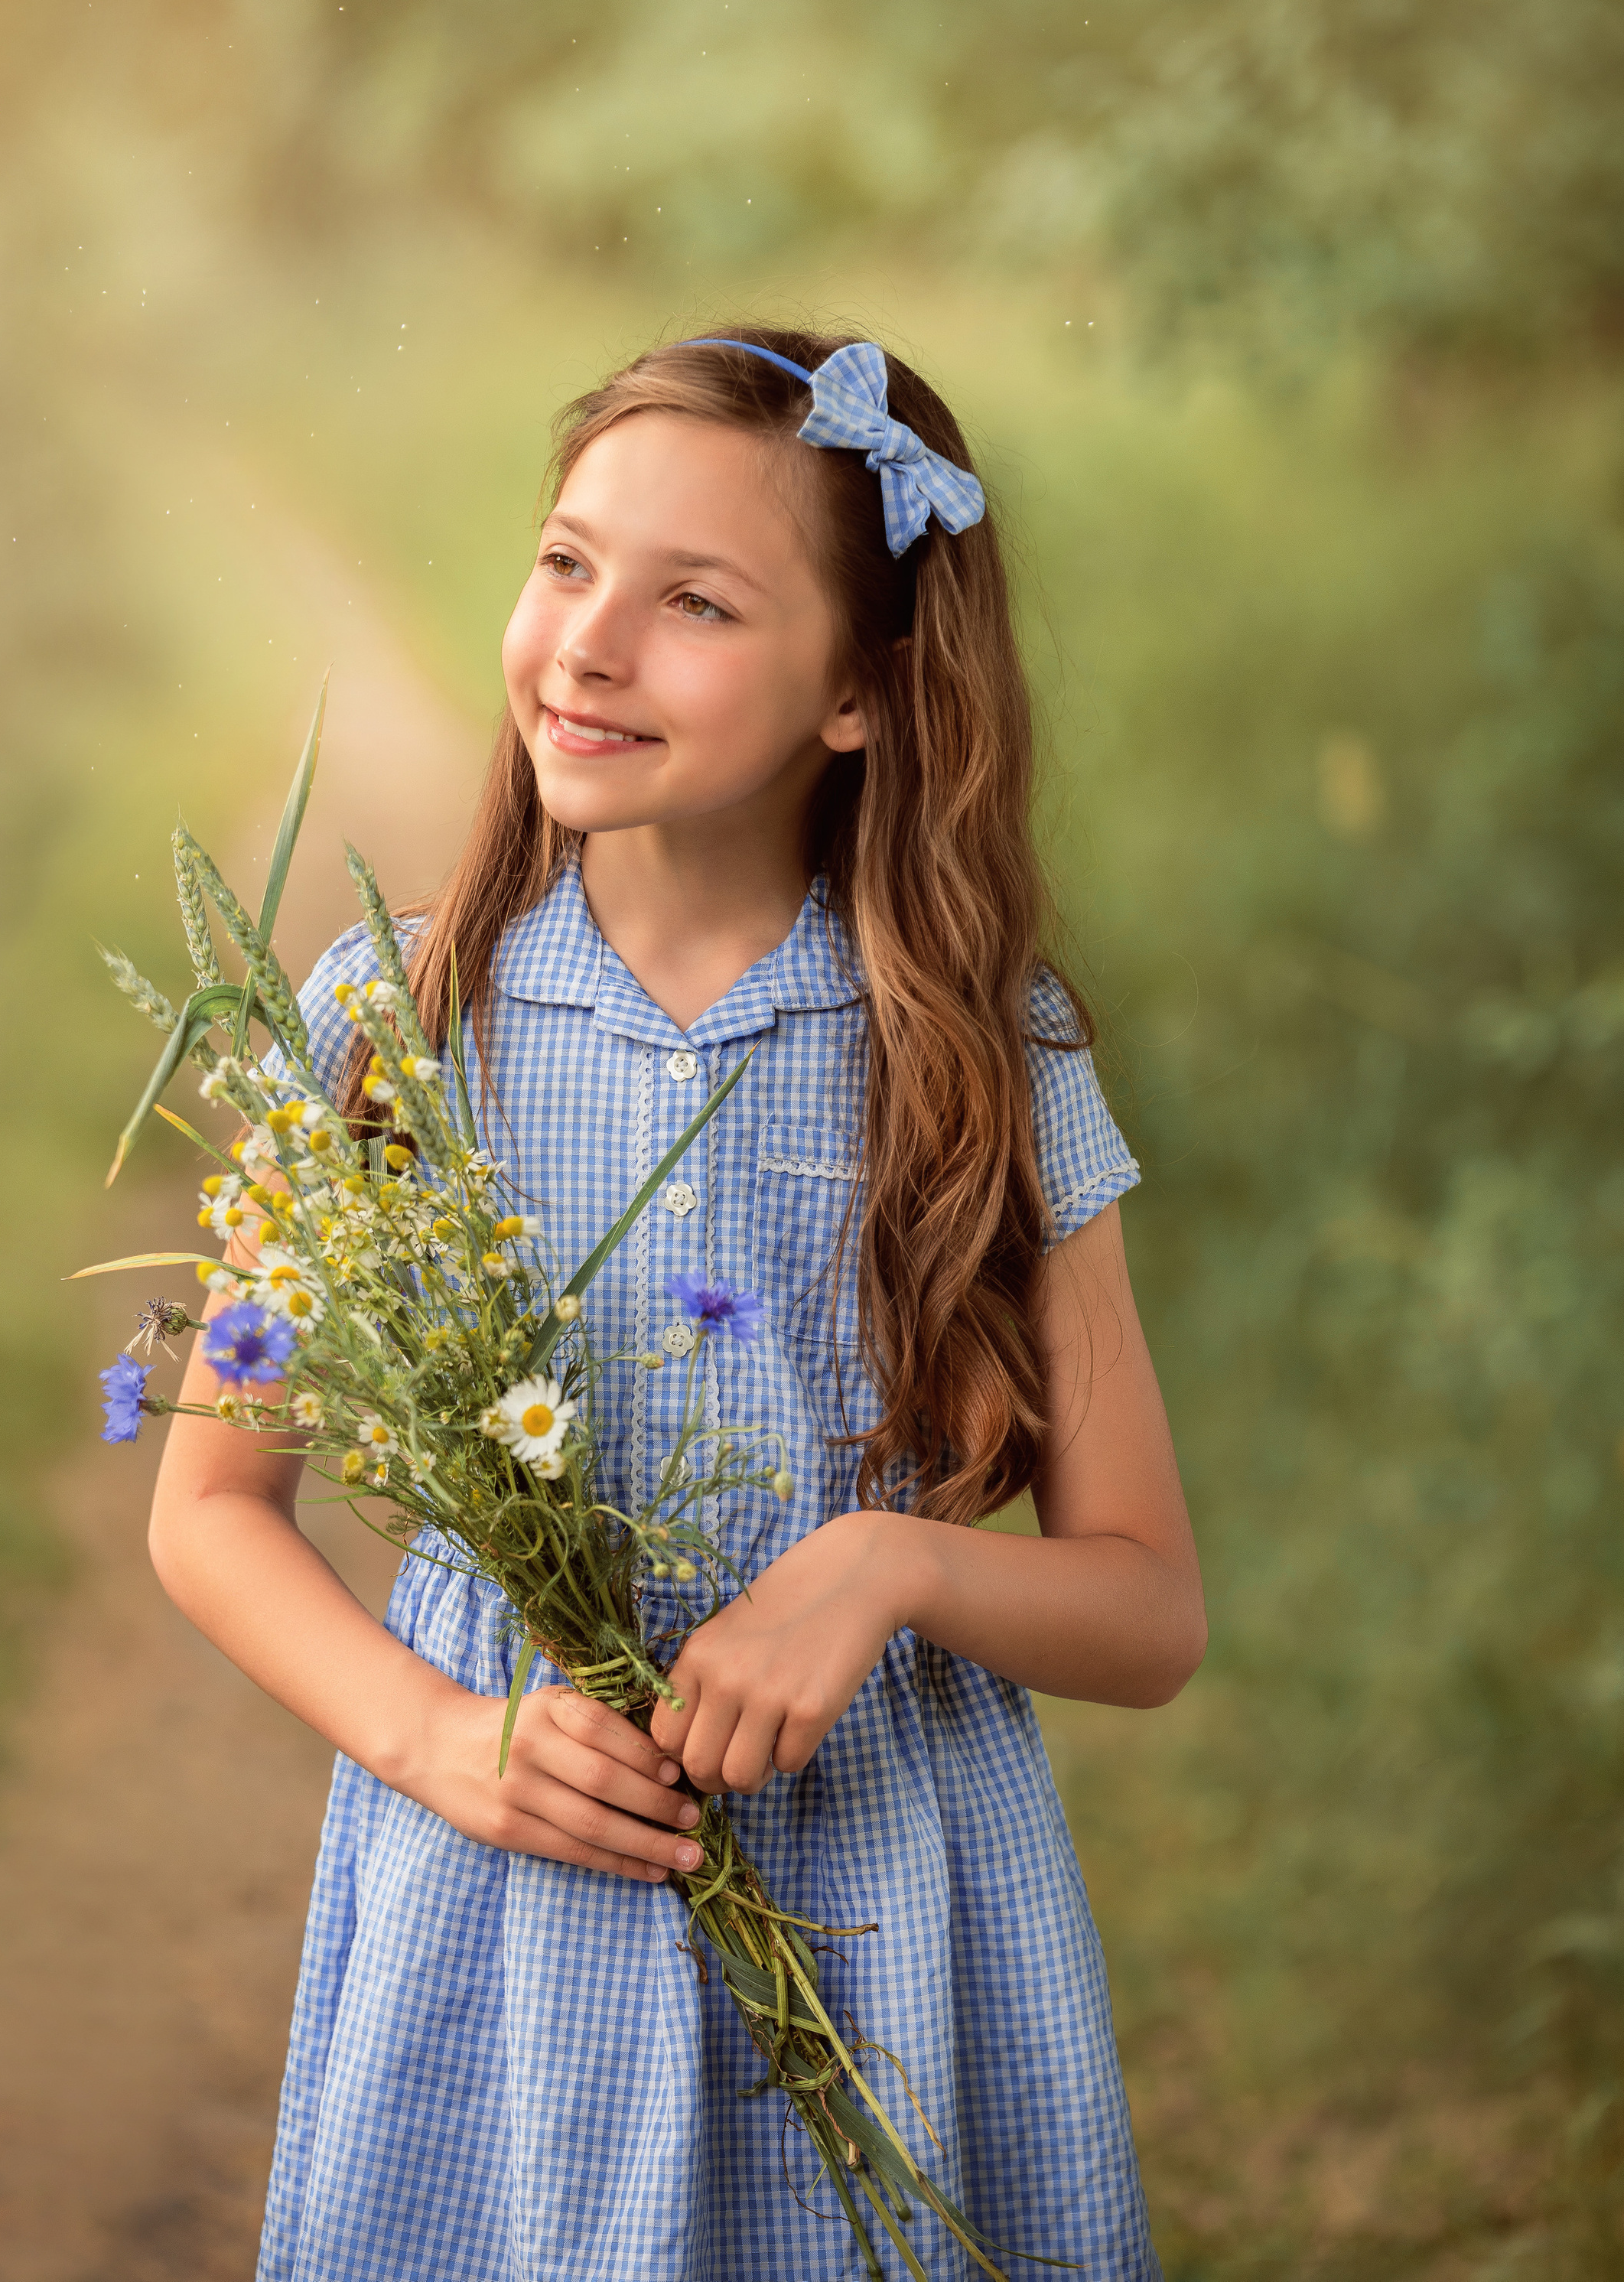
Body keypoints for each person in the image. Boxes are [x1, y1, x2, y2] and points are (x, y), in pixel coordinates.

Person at [148, 328, 1206, 2282]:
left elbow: (1144, 1606)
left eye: (695, 600)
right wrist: (440, 1741)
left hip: (888, 1919)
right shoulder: (383, 1040)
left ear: (861, 697)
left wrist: (892, 1562)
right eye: (565, 563)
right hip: (510, 1910)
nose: (588, 643)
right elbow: (209, 1505)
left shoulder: (987, 1062)